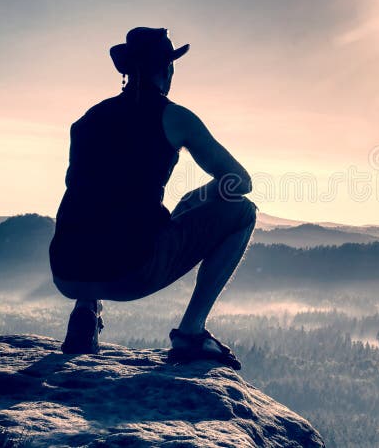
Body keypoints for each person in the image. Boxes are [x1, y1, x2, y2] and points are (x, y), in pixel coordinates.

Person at [49, 27, 256, 370]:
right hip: (131, 271)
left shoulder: (86, 121)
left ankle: (85, 311)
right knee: (242, 211)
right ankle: (191, 333)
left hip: (66, 272)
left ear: (128, 70)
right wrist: (201, 195)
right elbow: (240, 181)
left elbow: (83, 192)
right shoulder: (173, 116)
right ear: (168, 69)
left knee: (94, 207)